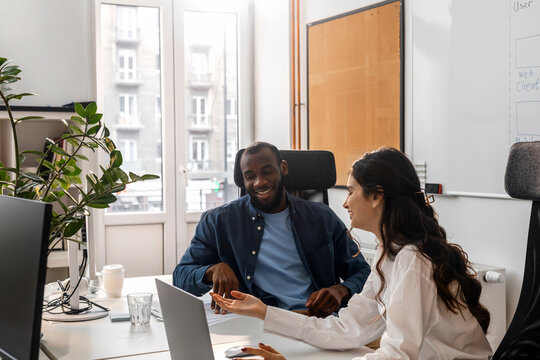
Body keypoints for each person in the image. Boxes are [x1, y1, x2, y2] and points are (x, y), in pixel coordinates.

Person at [212, 147, 493, 359]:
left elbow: (396, 356)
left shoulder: (412, 259)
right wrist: (264, 312)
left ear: (375, 196)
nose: (345, 202)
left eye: (350, 191)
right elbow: (349, 328)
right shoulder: (390, 254)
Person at [174, 142, 371, 317]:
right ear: (243, 180)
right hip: (258, 322)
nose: (259, 182)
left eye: (267, 171)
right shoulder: (218, 221)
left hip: (313, 321)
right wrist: (210, 270)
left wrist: (341, 290)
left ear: (283, 168)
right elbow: (180, 276)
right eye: (250, 176)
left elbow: (362, 271)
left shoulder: (322, 217)